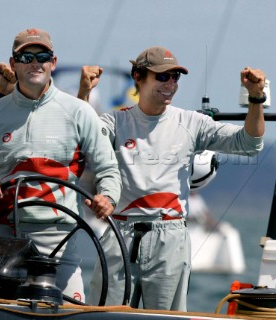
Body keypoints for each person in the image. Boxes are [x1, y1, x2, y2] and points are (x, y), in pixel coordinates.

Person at [77, 46, 265, 310]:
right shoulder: (115, 122)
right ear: (138, 77)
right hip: (120, 232)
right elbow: (82, 140)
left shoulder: (192, 123)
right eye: (162, 76)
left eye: (176, 77)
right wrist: (84, 92)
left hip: (170, 236)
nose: (171, 83)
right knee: (104, 315)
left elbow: (249, 143)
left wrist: (256, 98)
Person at [0, 28, 121, 303]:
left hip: (61, 233)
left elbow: (108, 168)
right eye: (26, 57)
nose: (35, 63)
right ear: (13, 64)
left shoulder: (80, 112)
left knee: (71, 310)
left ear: (53, 63)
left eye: (42, 56)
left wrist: (107, 197)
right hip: (4, 234)